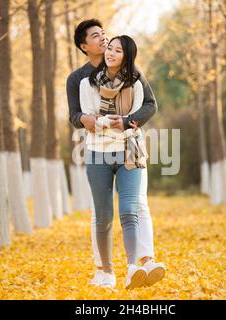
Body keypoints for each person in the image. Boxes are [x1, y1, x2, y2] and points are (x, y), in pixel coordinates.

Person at [66, 19, 165, 289]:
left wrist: (128, 119)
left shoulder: (132, 72)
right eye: (96, 36)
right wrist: (87, 120)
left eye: (104, 35)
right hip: (99, 149)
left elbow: (149, 104)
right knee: (102, 215)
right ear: (84, 46)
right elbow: (75, 115)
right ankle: (104, 269)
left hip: (130, 147)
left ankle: (144, 261)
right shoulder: (79, 79)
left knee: (136, 206)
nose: (103, 40)